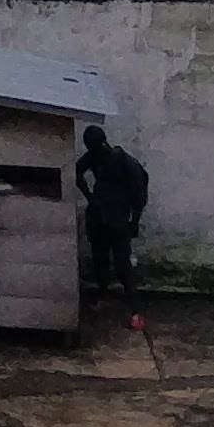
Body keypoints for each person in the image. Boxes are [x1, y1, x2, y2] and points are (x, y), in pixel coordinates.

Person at [79, 121, 150, 310]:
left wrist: (134, 221)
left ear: (102, 143)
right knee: (100, 258)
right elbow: (77, 172)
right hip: (99, 217)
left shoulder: (125, 162)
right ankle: (104, 294)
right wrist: (91, 198)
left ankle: (133, 302)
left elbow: (139, 193)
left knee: (122, 262)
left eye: (93, 147)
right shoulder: (93, 156)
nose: (91, 151)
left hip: (118, 218)